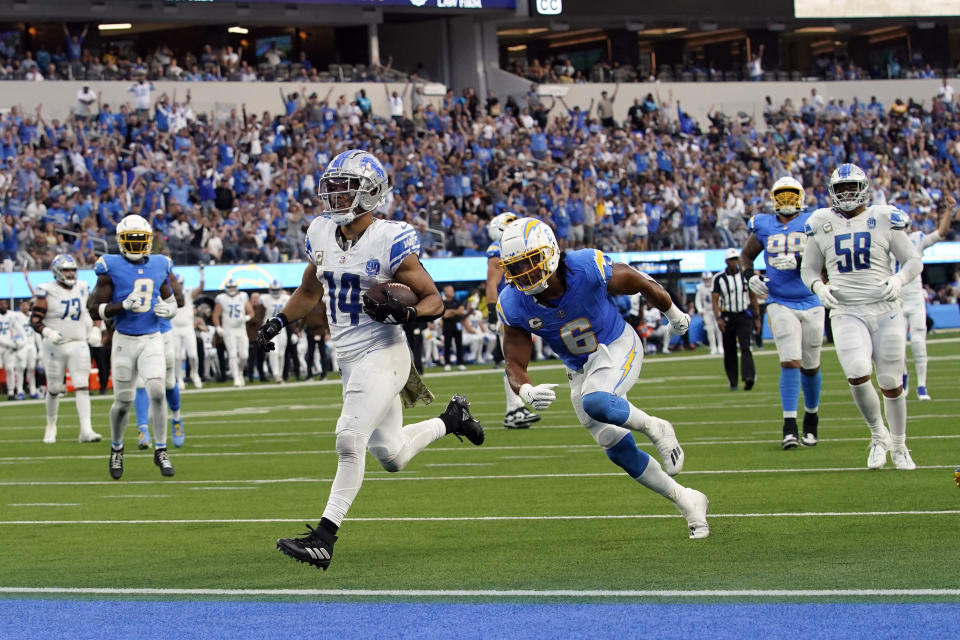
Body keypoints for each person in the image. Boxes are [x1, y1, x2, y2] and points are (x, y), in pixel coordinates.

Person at [259, 149, 485, 570]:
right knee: (392, 456)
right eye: (333, 188)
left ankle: (323, 538)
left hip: (384, 351)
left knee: (349, 439)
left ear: (371, 193)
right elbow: (311, 291)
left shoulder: (390, 237)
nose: (337, 196)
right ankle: (452, 419)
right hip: (348, 357)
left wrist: (409, 312)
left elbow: (433, 297)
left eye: (347, 189)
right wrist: (277, 322)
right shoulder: (321, 232)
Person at [497, 218, 709, 539]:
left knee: (596, 401)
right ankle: (687, 500)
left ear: (551, 251)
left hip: (618, 344)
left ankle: (656, 427)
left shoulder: (585, 267)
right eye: (517, 266)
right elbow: (513, 359)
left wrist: (674, 314)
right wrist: (525, 389)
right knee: (618, 451)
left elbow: (641, 282)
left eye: (531, 260)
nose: (525, 272)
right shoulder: (513, 301)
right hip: (579, 368)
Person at [801, 163, 922, 470]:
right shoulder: (821, 221)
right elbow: (808, 268)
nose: (846, 193)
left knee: (892, 381)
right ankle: (878, 436)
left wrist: (898, 280)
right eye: (840, 188)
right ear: (831, 192)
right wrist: (817, 286)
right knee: (856, 373)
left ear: (864, 188)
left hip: (885, 309)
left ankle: (899, 444)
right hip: (846, 310)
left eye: (851, 187)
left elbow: (912, 261)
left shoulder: (883, 216)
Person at [89, 214, 178, 479]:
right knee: (124, 401)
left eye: (142, 239)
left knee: (158, 391)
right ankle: (117, 448)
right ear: (121, 241)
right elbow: (93, 310)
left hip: (152, 337)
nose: (138, 245)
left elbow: (172, 299)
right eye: (132, 239)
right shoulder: (110, 266)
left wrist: (169, 310)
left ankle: (161, 449)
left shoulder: (160, 264)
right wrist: (120, 306)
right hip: (124, 339)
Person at [740, 176, 825, 449]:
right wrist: (748, 276)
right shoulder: (763, 224)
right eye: (782, 195)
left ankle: (811, 418)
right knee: (790, 360)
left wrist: (800, 259)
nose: (787, 201)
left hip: (811, 299)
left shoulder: (813, 222)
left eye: (791, 195)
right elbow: (746, 255)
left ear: (801, 197)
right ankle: (789, 425)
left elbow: (825, 252)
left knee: (811, 366)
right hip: (779, 300)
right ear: (773, 198)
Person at [28, 255, 102, 442]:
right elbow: (34, 320)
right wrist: (47, 332)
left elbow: (94, 310)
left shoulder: (83, 287)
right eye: (66, 270)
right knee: (54, 387)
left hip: (78, 342)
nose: (70, 274)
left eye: (73, 270)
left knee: (82, 385)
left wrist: (95, 328)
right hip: (55, 344)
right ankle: (51, 426)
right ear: (57, 272)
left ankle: (86, 429)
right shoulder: (46, 291)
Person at [485, 212, 539, 429]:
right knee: (512, 361)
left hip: (515, 307)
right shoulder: (496, 248)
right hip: (505, 309)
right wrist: (491, 313)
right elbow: (491, 283)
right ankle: (513, 410)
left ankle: (516, 408)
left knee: (517, 360)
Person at [896, 200, 955, 400]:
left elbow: (941, 233)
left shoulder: (917, 239)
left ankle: (922, 386)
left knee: (919, 343)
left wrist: (948, 211)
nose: (900, 232)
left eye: (902, 227)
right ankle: (903, 378)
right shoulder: (885, 242)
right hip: (895, 300)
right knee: (897, 345)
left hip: (914, 298)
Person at [134, 267, 186, 450]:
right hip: (135, 333)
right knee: (140, 383)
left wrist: (169, 307)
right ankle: (142, 429)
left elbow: (180, 300)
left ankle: (177, 419)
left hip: (162, 333)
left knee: (169, 382)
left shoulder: (160, 268)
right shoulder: (121, 269)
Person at [712, 248, 758, 391]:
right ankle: (733, 381)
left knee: (746, 346)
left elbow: (752, 296)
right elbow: (715, 300)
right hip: (727, 316)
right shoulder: (719, 278)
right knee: (729, 349)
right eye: (732, 260)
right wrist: (718, 318)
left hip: (743, 314)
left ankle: (749, 377)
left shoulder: (745, 276)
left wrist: (756, 317)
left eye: (736, 259)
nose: (734, 262)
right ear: (726, 262)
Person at [213, 278, 253, 387]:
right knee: (232, 354)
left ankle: (239, 372)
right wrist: (218, 327)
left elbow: (251, 312)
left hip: (241, 329)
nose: (231, 289)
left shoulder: (243, 296)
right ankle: (236, 377)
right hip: (229, 329)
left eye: (233, 287)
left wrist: (246, 317)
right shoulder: (221, 298)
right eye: (229, 287)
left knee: (244, 355)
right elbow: (216, 315)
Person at [171, 270, 204, 390]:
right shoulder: (168, 294)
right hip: (174, 328)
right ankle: (179, 378)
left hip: (187, 327)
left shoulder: (187, 293)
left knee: (193, 355)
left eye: (181, 284)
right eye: (177, 284)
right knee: (177, 356)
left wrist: (202, 275)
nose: (179, 286)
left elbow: (200, 289)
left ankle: (195, 374)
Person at [262, 279, 290, 382]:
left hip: (282, 328)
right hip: (269, 329)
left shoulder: (286, 298)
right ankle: (276, 374)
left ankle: (280, 374)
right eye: (273, 289)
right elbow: (260, 315)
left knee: (281, 353)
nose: (275, 292)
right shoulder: (264, 299)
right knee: (273, 352)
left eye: (277, 289)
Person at [695, 272, 722, 356]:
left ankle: (721, 346)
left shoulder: (716, 285)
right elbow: (698, 300)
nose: (707, 281)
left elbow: (721, 297)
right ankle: (713, 347)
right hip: (707, 311)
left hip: (717, 310)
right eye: (706, 279)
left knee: (719, 329)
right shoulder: (700, 288)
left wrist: (721, 307)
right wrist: (700, 310)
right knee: (710, 330)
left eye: (709, 279)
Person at [441, 285, 466, 371]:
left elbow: (461, 311)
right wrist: (455, 312)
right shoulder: (442, 303)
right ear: (445, 292)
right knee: (447, 345)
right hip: (447, 326)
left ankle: (460, 363)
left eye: (452, 290)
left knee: (459, 344)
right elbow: (444, 314)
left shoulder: (458, 301)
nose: (452, 292)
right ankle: (447, 363)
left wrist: (451, 311)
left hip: (457, 325)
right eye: (450, 290)